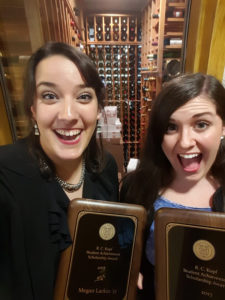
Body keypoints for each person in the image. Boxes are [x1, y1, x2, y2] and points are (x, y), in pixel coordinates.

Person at [0, 42, 119, 300]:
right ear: (33, 109)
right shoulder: (5, 174)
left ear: (98, 109)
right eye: (50, 96)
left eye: (84, 96)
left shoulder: (105, 167)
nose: (68, 114)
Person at [120, 72, 225, 299]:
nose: (185, 142)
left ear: (223, 127)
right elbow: (123, 250)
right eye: (171, 127)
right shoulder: (135, 188)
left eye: (201, 124)